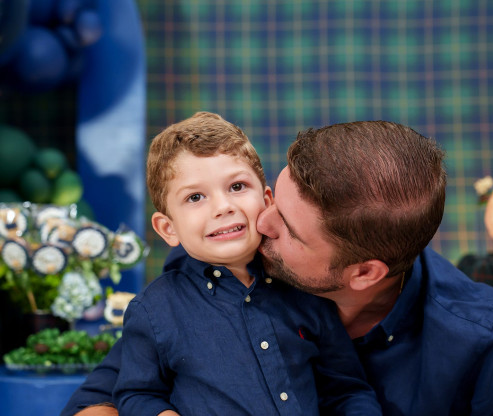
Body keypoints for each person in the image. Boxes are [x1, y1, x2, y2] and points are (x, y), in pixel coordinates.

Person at [62, 120, 493, 415]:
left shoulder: (480, 340)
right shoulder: (213, 271)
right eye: (273, 196)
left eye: (287, 228)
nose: (256, 221)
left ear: (363, 273)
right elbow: (108, 393)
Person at [102, 112, 382, 416]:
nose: (223, 207)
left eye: (237, 187)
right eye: (195, 197)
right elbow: (137, 394)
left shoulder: (306, 291)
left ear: (267, 201)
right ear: (168, 228)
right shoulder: (153, 310)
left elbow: (347, 390)